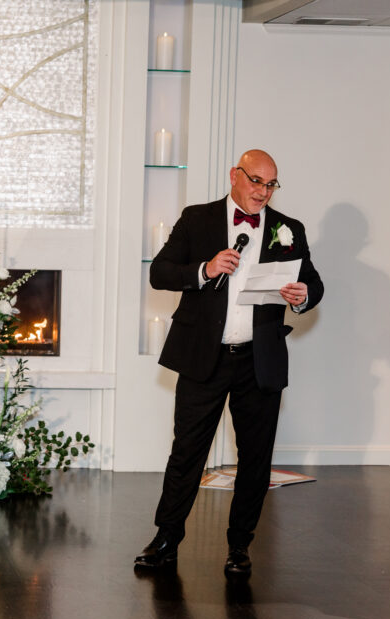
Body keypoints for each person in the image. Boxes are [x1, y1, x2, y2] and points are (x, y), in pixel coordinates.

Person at [135, 150, 324, 578]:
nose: (263, 191)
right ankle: (166, 540)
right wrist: (204, 269)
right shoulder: (197, 218)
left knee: (255, 459)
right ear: (234, 175)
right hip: (205, 357)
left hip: (259, 361)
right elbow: (160, 272)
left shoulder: (288, 229)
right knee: (187, 454)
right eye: (256, 181)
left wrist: (302, 296)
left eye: (271, 184)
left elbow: (313, 282)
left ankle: (240, 546)